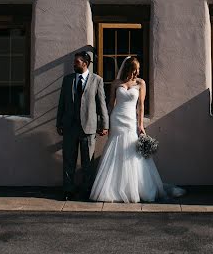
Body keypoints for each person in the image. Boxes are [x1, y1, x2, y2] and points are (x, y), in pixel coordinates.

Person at [90, 56, 170, 203]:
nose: (137, 72)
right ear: (128, 69)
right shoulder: (116, 83)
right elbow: (110, 105)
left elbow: (141, 106)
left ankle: (133, 189)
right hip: (116, 119)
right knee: (115, 151)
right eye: (134, 70)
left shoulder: (140, 83)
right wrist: (106, 124)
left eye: (138, 69)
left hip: (130, 121)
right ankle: (113, 190)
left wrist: (140, 125)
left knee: (131, 153)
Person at [56, 47, 109, 201]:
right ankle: (68, 189)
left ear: (85, 63)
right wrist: (59, 122)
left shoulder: (97, 80)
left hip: (89, 127)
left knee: (88, 162)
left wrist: (105, 124)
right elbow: (62, 103)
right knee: (68, 161)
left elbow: (102, 104)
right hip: (69, 127)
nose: (74, 64)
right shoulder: (67, 80)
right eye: (74, 61)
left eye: (77, 62)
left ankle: (87, 190)